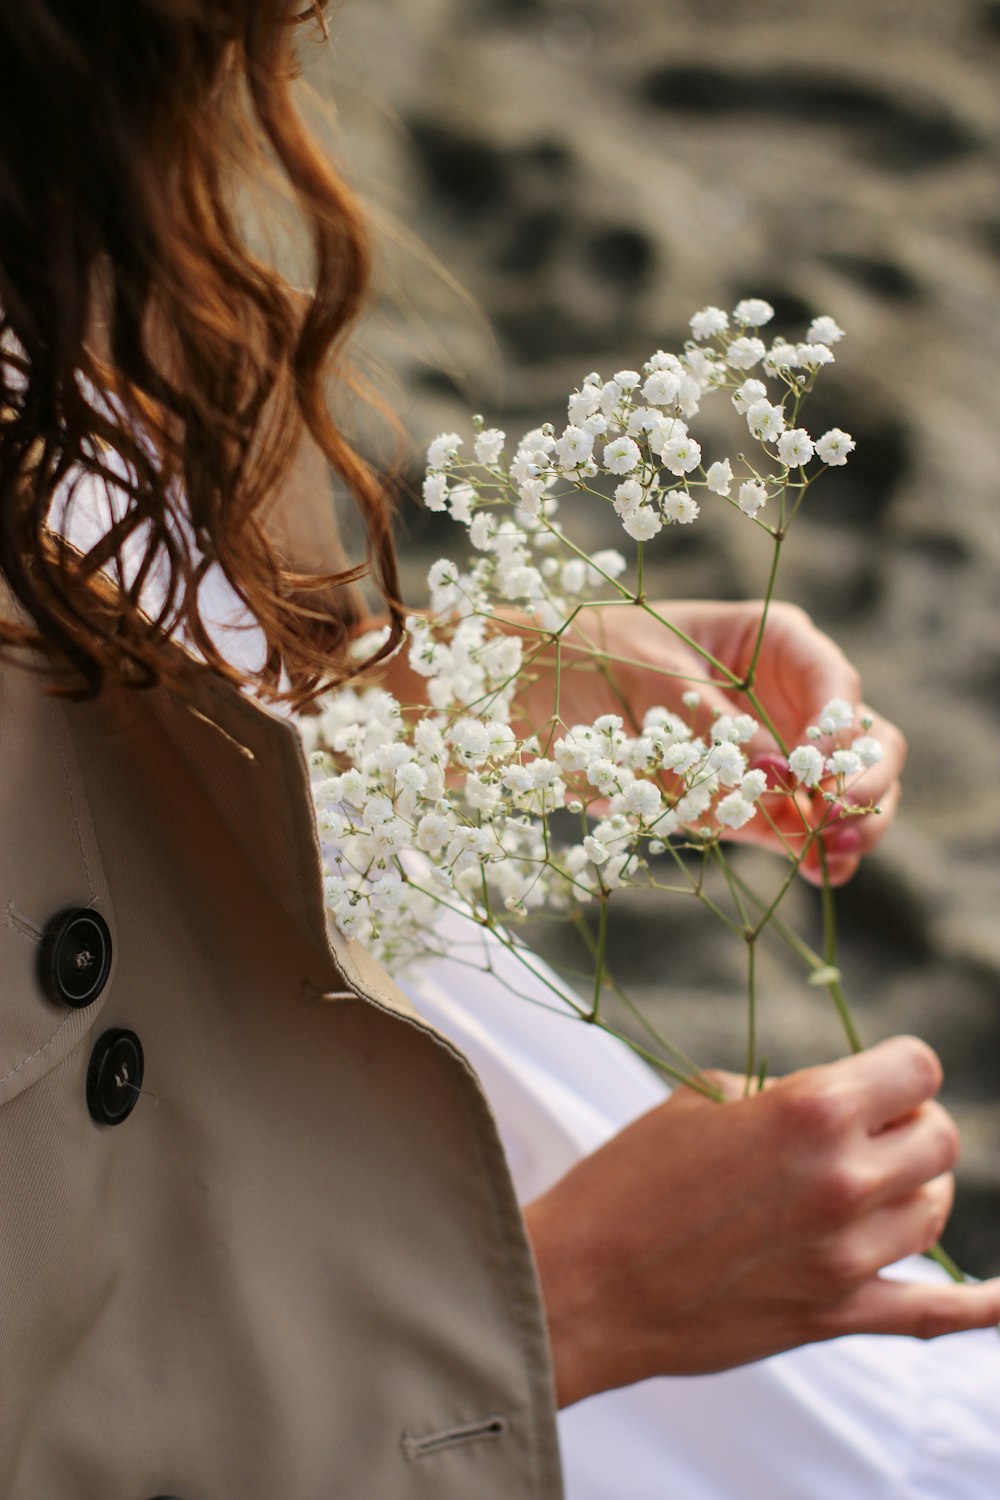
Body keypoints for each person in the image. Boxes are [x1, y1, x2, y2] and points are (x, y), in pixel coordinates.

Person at [1, 2, 998, 1495]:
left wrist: (470, 695)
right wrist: (578, 1301)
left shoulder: (86, 215)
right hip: (418, 1380)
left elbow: (110, 754)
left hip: (431, 1186)